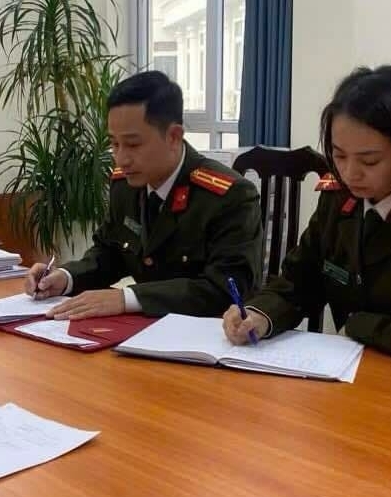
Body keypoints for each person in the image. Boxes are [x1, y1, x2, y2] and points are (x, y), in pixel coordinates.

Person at [223, 65, 391, 369]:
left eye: (370, 161)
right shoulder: (338, 198)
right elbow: (299, 281)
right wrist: (260, 314)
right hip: (356, 369)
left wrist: (357, 324)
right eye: (339, 155)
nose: (350, 173)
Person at [25, 71, 263, 320]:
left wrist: (128, 298)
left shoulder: (228, 196)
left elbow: (225, 291)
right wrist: (65, 278)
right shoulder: (125, 185)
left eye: (133, 144)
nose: (121, 159)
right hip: (144, 328)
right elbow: (109, 252)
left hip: (210, 334)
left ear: (173, 137)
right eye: (114, 144)